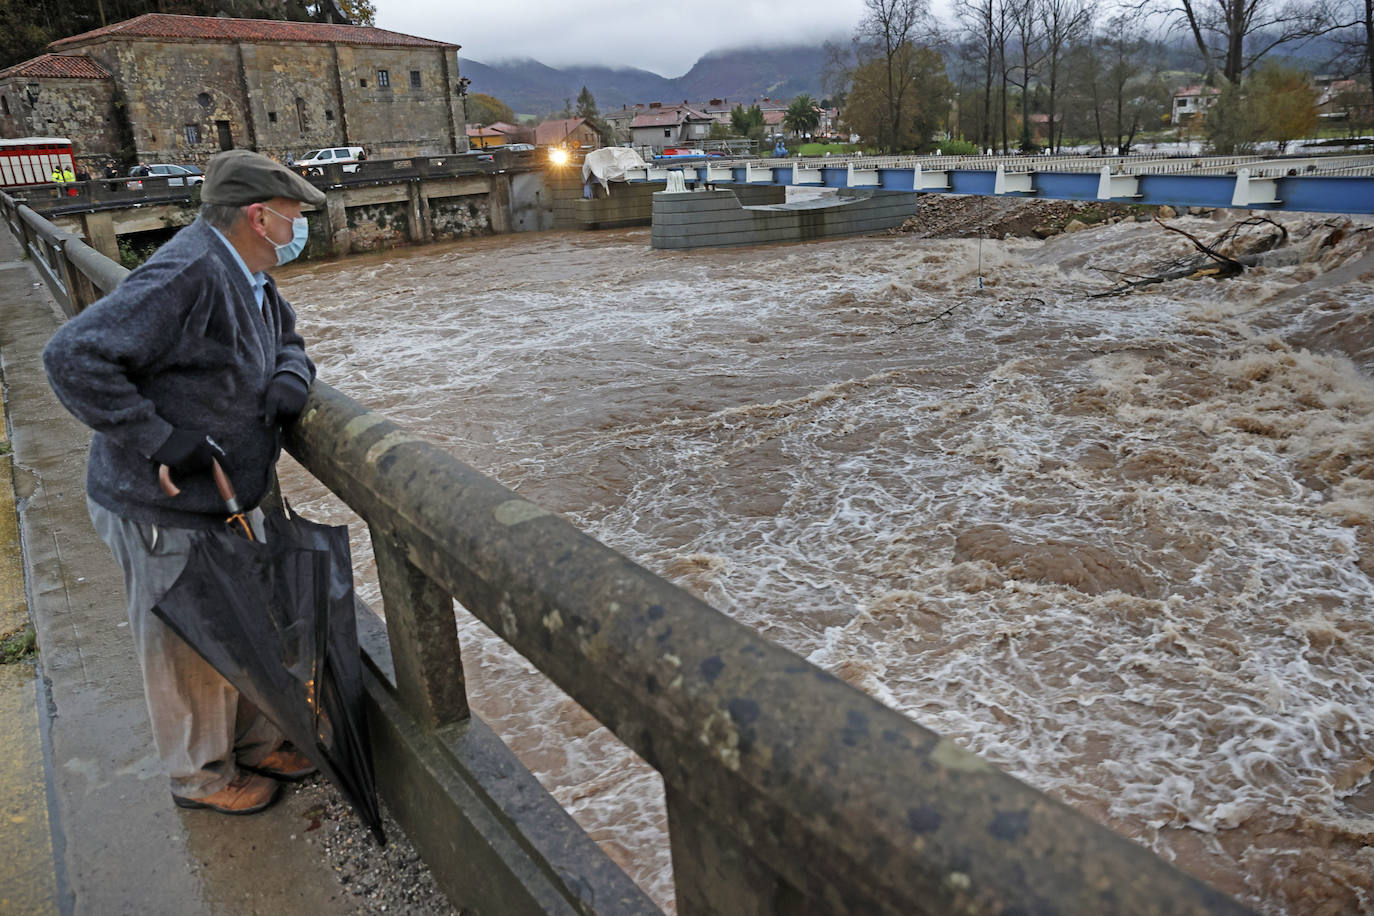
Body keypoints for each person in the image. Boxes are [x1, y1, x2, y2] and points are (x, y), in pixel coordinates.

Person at [42, 149, 325, 816]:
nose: (300, 225)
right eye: (294, 215)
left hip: (220, 499)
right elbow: (72, 355)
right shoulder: (189, 270)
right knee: (185, 640)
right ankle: (199, 776)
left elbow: (287, 339)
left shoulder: (251, 274)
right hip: (159, 504)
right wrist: (158, 437)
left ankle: (255, 745)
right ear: (259, 216)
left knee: (239, 623)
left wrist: (288, 377)